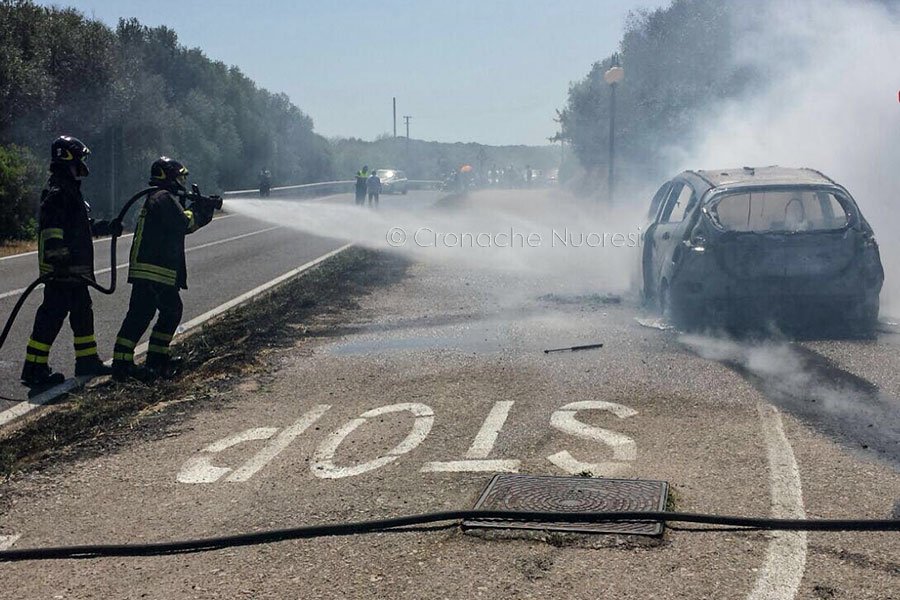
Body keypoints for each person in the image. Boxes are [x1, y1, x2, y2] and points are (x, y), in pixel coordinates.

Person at [20, 136, 120, 387]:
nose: (83, 164)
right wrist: (58, 261)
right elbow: (52, 231)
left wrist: (109, 226)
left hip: (75, 274)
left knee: (82, 314)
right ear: (67, 159)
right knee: (51, 317)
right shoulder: (58, 192)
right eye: (80, 159)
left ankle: (87, 361)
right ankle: (34, 369)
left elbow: (81, 228)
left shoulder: (70, 191)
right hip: (62, 272)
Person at [111, 157, 218, 381]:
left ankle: (154, 359)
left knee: (159, 312)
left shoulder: (160, 198)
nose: (182, 181)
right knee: (146, 314)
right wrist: (200, 211)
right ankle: (124, 364)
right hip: (154, 270)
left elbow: (180, 221)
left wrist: (198, 209)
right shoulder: (163, 198)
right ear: (168, 176)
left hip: (154, 269)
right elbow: (183, 224)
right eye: (180, 176)